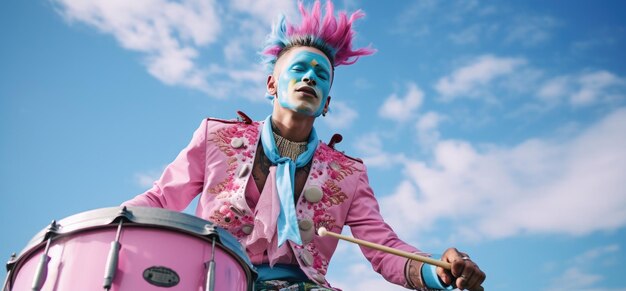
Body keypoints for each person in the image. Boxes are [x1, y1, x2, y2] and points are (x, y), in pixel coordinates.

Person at [123, 1, 486, 290]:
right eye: (299, 69)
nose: (310, 76)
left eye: (322, 74)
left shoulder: (349, 174)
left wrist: (438, 270)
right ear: (271, 85)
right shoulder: (214, 138)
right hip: (213, 281)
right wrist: (102, 226)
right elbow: (160, 199)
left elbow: (384, 248)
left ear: (327, 103)